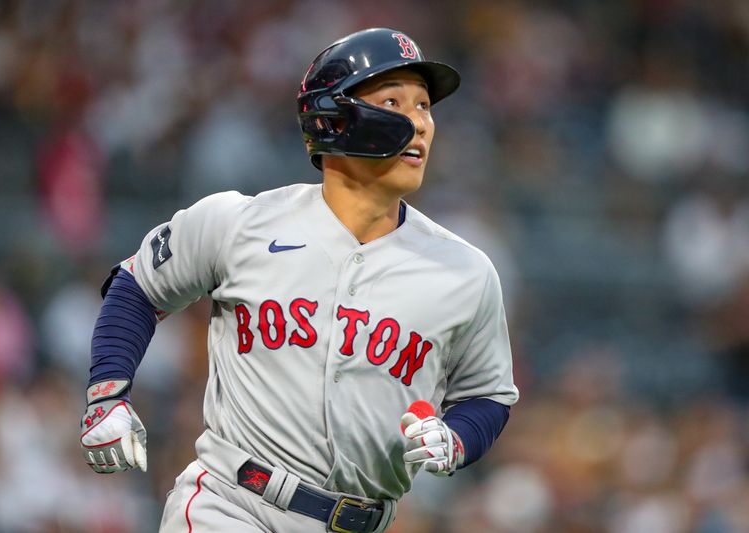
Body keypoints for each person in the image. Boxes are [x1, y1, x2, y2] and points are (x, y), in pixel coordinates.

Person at [80, 28, 519, 533]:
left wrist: (456, 438)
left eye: (425, 106)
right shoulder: (240, 223)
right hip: (233, 505)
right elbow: (137, 286)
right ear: (334, 118)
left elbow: (488, 394)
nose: (420, 123)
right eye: (395, 101)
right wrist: (106, 396)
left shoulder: (465, 271)